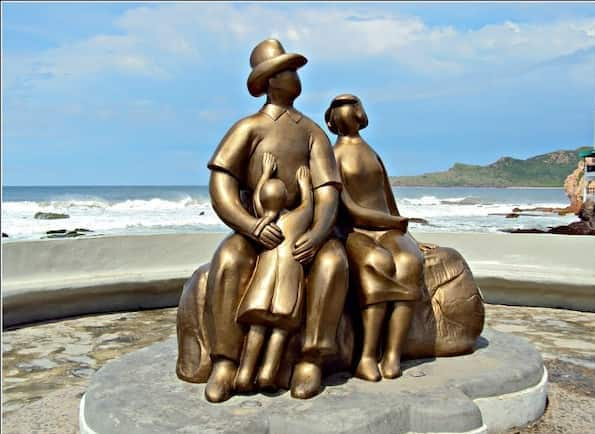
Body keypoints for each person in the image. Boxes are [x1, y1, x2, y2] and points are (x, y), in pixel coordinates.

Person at [204, 39, 348, 402]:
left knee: (332, 262)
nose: (295, 77)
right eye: (287, 70)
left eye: (295, 70)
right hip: (258, 227)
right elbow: (222, 183)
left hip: (303, 230)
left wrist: (317, 233)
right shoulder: (248, 128)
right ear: (269, 80)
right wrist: (249, 225)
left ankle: (311, 359)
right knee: (229, 259)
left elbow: (327, 190)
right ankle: (225, 360)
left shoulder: (312, 132)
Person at [326, 94, 425, 381]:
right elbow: (348, 208)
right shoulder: (333, 157)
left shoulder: (371, 153)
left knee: (408, 261)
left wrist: (409, 236)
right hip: (356, 232)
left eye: (352, 108)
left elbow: (389, 200)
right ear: (331, 120)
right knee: (374, 263)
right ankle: (367, 355)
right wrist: (393, 221)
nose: (347, 115)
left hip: (388, 229)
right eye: (340, 111)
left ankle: (392, 354)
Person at [234, 153, 313, 391]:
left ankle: (245, 374)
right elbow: (308, 205)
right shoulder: (296, 220)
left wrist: (265, 174)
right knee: (280, 328)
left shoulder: (261, 221)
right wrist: (304, 185)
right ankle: (268, 373)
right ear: (287, 197)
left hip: (262, 287)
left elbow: (259, 198)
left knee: (257, 327)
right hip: (286, 287)